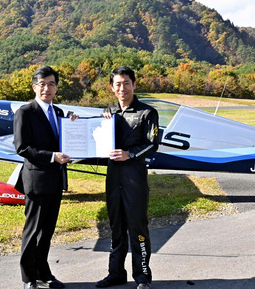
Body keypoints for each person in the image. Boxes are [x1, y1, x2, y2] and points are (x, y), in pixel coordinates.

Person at [96, 66, 159, 289]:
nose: (122, 88)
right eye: (117, 84)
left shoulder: (147, 112)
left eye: (126, 83)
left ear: (134, 84)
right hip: (113, 177)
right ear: (112, 88)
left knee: (137, 227)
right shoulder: (107, 113)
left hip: (135, 177)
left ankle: (142, 276)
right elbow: (93, 136)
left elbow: (152, 144)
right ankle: (116, 273)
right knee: (115, 227)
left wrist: (129, 154)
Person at [14, 66, 71, 289]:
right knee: (33, 230)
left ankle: (43, 272)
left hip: (56, 180)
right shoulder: (25, 112)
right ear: (34, 87)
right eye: (42, 84)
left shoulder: (59, 113)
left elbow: (64, 144)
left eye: (51, 84)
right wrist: (52, 156)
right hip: (36, 181)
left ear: (56, 87)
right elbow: (22, 148)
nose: (46, 88)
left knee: (47, 232)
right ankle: (28, 278)